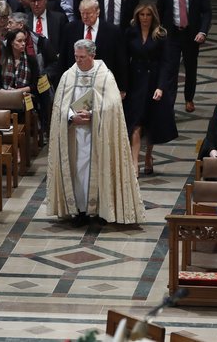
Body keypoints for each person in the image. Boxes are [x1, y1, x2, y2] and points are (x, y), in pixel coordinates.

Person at [47, 39, 145, 226]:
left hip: (98, 136)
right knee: (77, 174)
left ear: (92, 55)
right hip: (74, 136)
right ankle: (80, 211)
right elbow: (59, 105)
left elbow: (113, 105)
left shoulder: (105, 77)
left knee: (100, 170)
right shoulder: (68, 76)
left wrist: (93, 114)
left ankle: (100, 210)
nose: (78, 61)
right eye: (76, 57)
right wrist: (70, 116)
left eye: (82, 57)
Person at [124, 4, 177, 176]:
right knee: (135, 123)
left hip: (153, 81)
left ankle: (148, 155)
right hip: (136, 82)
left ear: (153, 16)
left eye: (148, 15)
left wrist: (161, 87)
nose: (145, 18)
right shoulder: (130, 33)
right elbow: (125, 59)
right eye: (142, 15)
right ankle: (134, 162)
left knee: (151, 123)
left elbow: (165, 63)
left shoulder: (161, 35)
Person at [156, 0, 211, 112]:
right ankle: (170, 101)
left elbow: (206, 12)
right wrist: (157, 28)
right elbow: (159, 8)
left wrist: (202, 31)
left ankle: (189, 98)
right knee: (170, 68)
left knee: (190, 67)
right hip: (171, 32)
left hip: (191, 33)